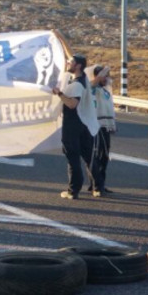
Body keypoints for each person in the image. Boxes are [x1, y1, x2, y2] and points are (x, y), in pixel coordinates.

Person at [51, 54, 98, 199]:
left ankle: (73, 190)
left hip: (74, 124)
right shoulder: (83, 78)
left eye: (70, 62)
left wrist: (59, 93)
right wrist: (60, 36)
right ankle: (98, 187)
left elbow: (72, 104)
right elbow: (71, 55)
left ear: (77, 65)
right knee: (88, 157)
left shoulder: (77, 84)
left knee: (73, 157)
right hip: (84, 124)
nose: (67, 63)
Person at [90, 64, 115, 197]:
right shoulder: (92, 89)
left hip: (106, 126)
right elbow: (92, 85)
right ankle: (97, 186)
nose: (107, 78)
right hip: (97, 126)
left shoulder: (105, 90)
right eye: (105, 76)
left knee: (104, 156)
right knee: (97, 156)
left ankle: (100, 184)